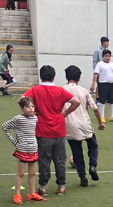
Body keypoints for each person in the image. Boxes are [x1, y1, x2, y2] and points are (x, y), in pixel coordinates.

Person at [27, 65, 80, 197]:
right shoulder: (60, 91)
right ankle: (61, 186)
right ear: (54, 77)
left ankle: (43, 187)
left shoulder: (35, 90)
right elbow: (76, 102)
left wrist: (34, 112)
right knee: (60, 159)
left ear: (41, 76)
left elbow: (21, 100)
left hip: (43, 129)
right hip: (59, 129)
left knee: (44, 159)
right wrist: (65, 113)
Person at [64, 66, 103, 187]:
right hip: (85, 123)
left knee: (77, 153)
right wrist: (100, 123)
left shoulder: (61, 90)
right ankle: (92, 165)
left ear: (66, 77)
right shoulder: (83, 91)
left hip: (70, 125)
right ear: (79, 77)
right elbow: (95, 108)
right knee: (93, 145)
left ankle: (83, 178)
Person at [2, 95, 42, 203]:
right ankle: (17, 195)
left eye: (32, 106)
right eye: (28, 107)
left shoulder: (35, 118)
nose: (31, 109)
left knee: (33, 173)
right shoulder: (17, 119)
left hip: (33, 148)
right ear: (22, 108)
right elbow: (5, 126)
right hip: (22, 150)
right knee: (21, 173)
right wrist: (14, 142)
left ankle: (32, 193)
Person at [91, 49, 113, 123]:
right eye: (106, 56)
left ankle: (112, 116)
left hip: (110, 84)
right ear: (103, 57)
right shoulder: (99, 64)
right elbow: (95, 74)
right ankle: (102, 116)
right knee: (102, 100)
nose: (107, 57)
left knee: (111, 100)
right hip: (102, 84)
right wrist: (93, 84)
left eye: (109, 56)